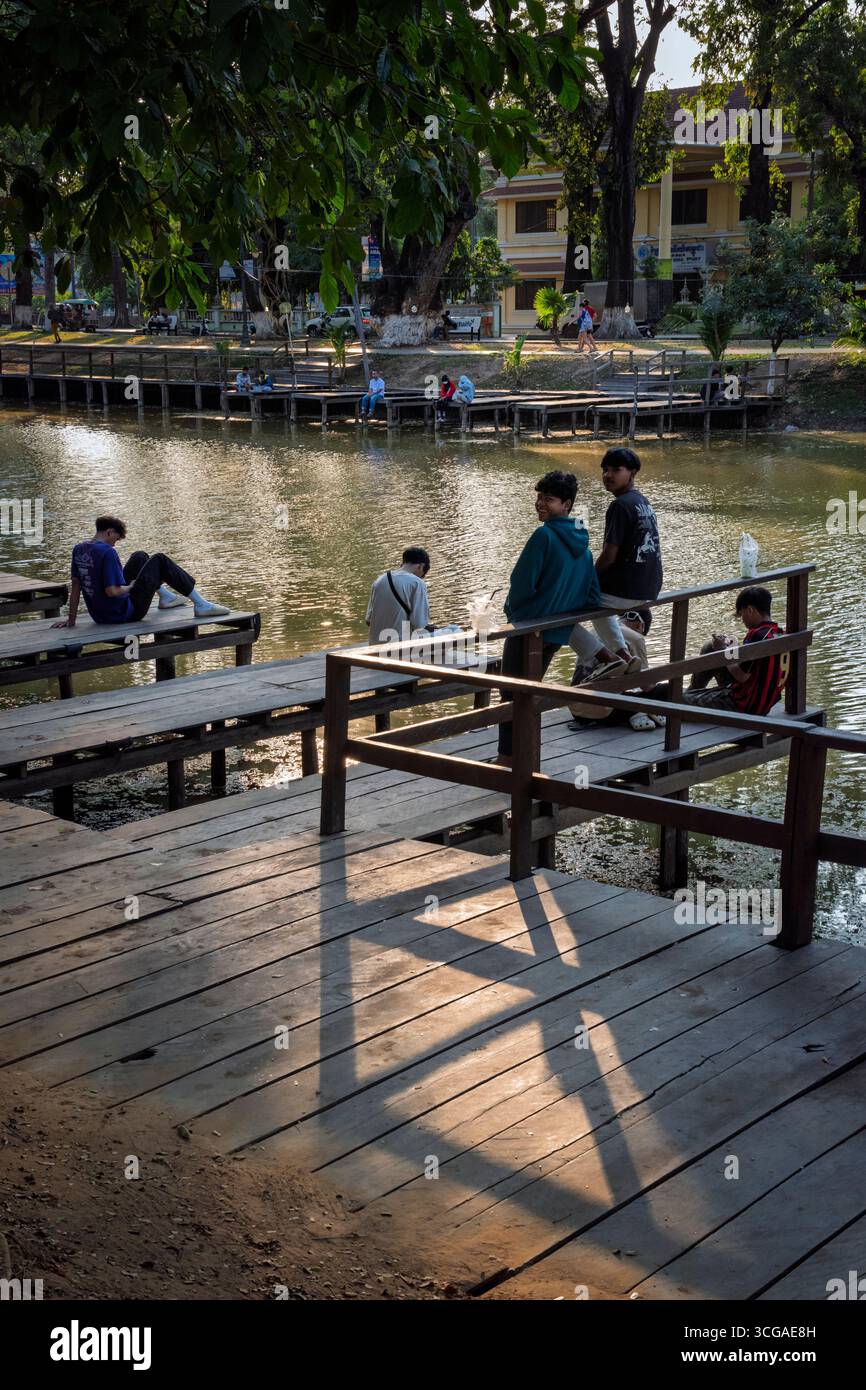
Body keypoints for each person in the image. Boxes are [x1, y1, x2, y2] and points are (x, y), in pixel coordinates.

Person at [497, 471, 602, 763]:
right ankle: (525, 756)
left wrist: (513, 614)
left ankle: (509, 759)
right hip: (556, 631)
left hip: (528, 627)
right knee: (531, 692)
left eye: (549, 499)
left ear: (566, 504)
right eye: (539, 497)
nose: (540, 504)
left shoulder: (543, 535)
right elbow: (592, 593)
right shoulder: (583, 542)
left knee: (511, 693)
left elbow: (521, 583)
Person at [570, 447, 663, 684]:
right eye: (605, 470)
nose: (608, 475)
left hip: (626, 590)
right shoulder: (642, 501)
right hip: (649, 588)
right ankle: (621, 653)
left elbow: (609, 556)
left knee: (559, 611)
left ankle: (606, 656)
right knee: (597, 603)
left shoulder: (620, 506)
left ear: (632, 472)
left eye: (616, 470)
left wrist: (586, 580)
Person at [52, 516, 231, 629]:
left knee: (140, 556)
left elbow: (76, 585)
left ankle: (167, 597)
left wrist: (71, 619)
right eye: (116, 538)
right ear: (109, 532)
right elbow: (112, 591)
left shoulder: (79, 549)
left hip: (100, 615)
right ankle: (201, 605)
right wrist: (130, 587)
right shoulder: (107, 552)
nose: (115, 543)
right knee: (160, 559)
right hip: (125, 613)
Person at [645, 587, 786, 716]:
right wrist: (733, 647)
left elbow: (741, 676)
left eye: (742, 613)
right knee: (710, 647)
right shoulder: (778, 633)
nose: (742, 619)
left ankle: (635, 703)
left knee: (670, 695)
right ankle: (692, 692)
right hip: (759, 699)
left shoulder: (756, 635)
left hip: (743, 704)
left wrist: (725, 650)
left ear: (750, 610)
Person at [365, 547, 433, 644]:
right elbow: (419, 625)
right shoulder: (417, 583)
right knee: (452, 631)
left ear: (402, 563)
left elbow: (369, 621)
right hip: (400, 649)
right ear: (421, 566)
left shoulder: (379, 581)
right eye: (421, 575)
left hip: (373, 647)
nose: (420, 577)